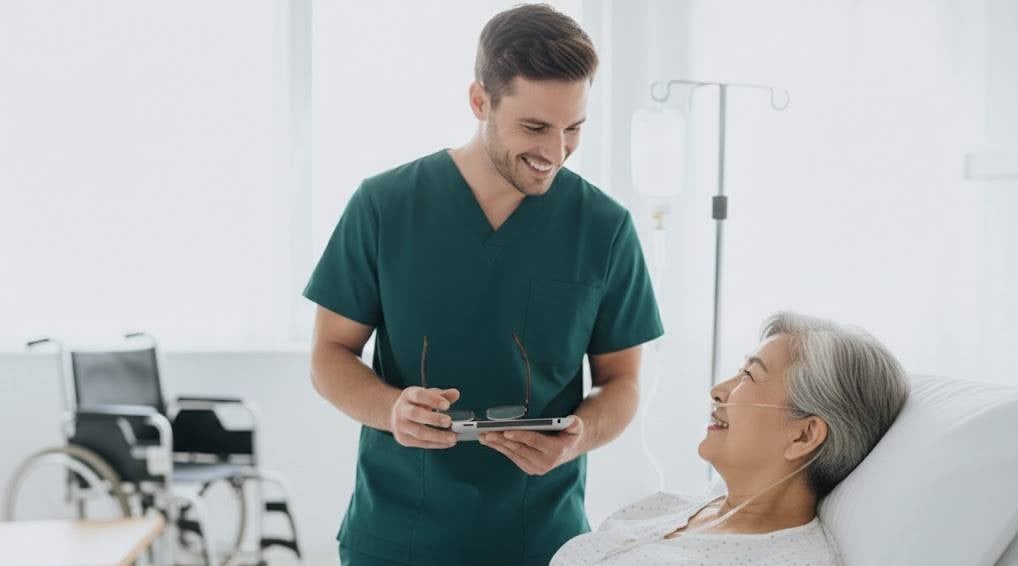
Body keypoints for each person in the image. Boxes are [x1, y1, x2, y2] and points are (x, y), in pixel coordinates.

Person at [304, 5, 663, 565]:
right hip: (399, 538)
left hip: (541, 542)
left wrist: (580, 435)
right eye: (535, 128)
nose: (556, 152)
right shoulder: (385, 206)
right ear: (480, 102)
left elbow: (624, 383)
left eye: (574, 129)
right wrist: (391, 410)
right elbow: (329, 355)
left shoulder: (604, 227)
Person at [552, 312, 909, 566]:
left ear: (803, 434)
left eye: (748, 376)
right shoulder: (666, 507)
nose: (718, 391)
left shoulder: (792, 559)